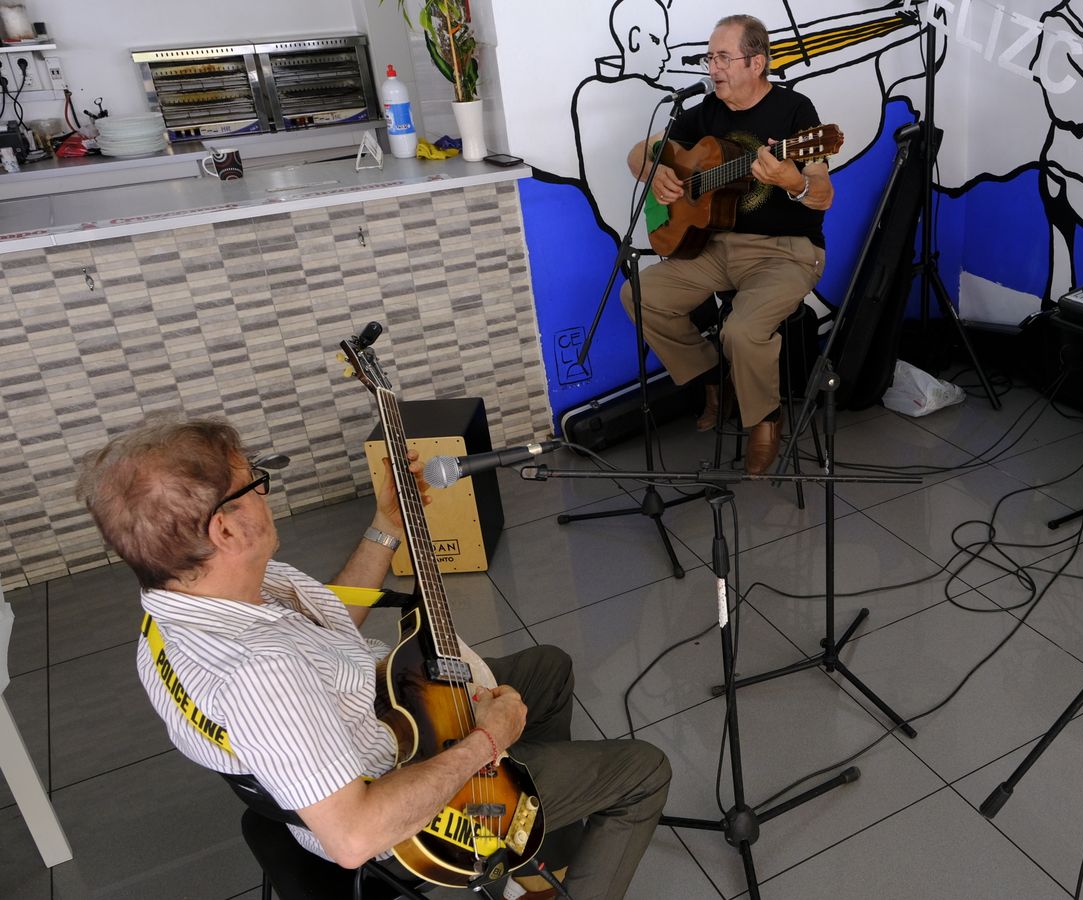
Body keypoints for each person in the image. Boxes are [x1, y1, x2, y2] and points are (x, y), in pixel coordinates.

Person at [79, 417, 670, 900]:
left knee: (547, 667)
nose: (264, 491)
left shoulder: (183, 605)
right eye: (253, 482)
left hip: (377, 720)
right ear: (225, 530)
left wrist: (387, 525)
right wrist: (487, 743)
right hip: (398, 810)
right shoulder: (257, 673)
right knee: (644, 771)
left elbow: (325, 629)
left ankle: (534, 859)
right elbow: (354, 836)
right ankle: (518, 841)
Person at [623, 13, 834, 476]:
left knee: (741, 331)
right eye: (709, 57)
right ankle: (711, 378)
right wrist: (655, 171)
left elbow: (823, 195)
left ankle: (765, 418)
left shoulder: (797, 114)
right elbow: (639, 152)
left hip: (787, 251)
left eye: (722, 57)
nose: (711, 67)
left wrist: (790, 180)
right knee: (639, 294)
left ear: (756, 62)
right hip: (716, 249)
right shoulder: (704, 113)